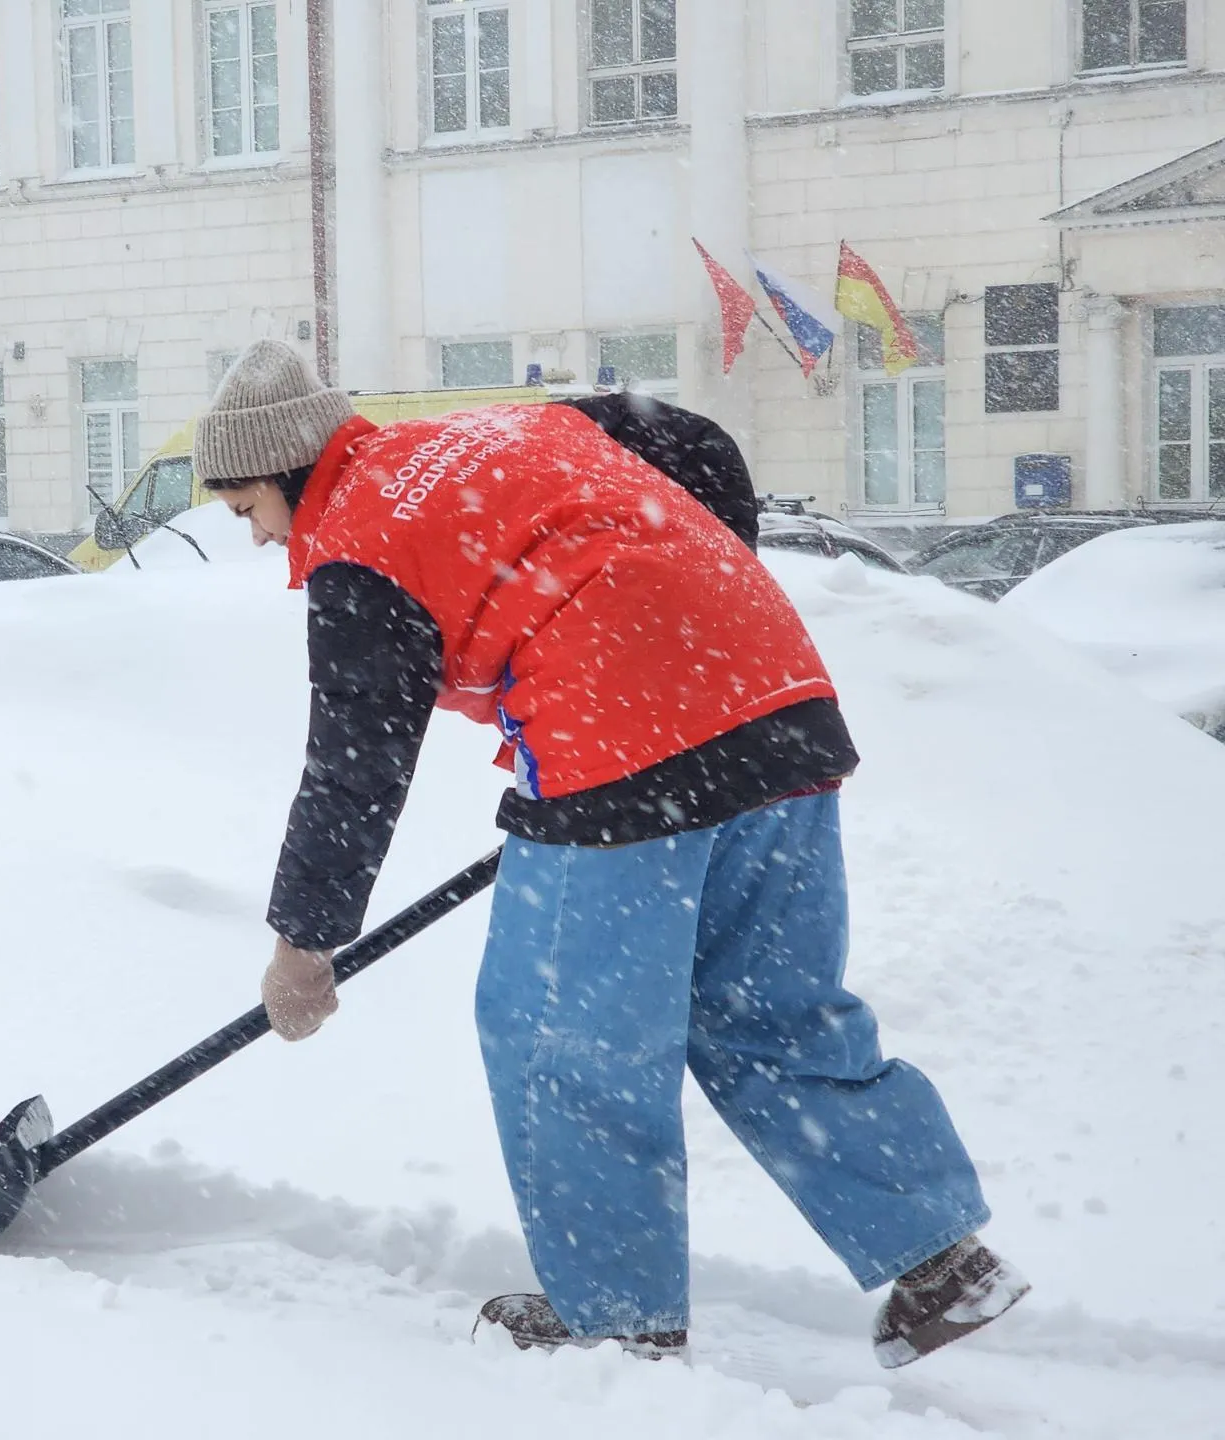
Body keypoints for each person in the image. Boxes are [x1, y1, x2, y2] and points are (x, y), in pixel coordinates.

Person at [194, 339, 1029, 1368]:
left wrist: (304, 946)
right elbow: (697, 442)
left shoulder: (359, 539)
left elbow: (354, 767)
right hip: (773, 697)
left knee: (560, 1037)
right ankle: (942, 1256)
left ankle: (617, 1316)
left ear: (284, 470)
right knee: (765, 1013)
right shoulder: (499, 430)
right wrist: (695, 606)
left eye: (247, 510)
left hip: (623, 737)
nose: (257, 536)